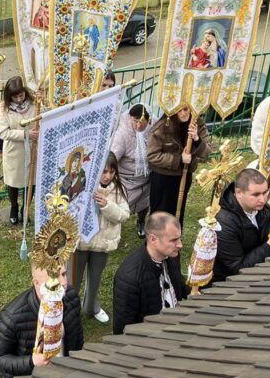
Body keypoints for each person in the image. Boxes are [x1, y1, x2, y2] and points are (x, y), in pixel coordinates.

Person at [0, 265, 83, 378]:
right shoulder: (12, 316)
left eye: (63, 274)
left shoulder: (71, 297)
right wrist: (31, 362)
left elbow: (78, 338)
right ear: (36, 283)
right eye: (54, 278)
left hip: (64, 376)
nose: (63, 282)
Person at [73, 153, 129, 324]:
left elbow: (124, 215)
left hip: (103, 244)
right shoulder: (81, 185)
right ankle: (70, 309)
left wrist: (107, 205)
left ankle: (91, 306)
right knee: (74, 280)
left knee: (95, 278)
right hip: (81, 243)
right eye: (104, 171)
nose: (107, 176)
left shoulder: (118, 189)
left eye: (112, 172)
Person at [112, 212, 187, 335]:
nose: (180, 245)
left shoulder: (171, 255)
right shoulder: (130, 278)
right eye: (173, 240)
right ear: (153, 239)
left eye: (179, 238)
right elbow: (123, 329)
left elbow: (178, 283)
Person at [213, 169, 270, 284]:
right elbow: (238, 268)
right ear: (239, 193)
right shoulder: (223, 223)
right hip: (226, 284)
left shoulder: (263, 209)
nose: (263, 199)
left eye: (265, 192)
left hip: (258, 274)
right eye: (256, 194)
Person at [147, 106, 210, 226]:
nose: (183, 113)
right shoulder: (162, 126)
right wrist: (179, 160)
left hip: (184, 175)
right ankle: (156, 235)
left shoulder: (198, 124)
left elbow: (207, 153)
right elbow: (152, 155)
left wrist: (197, 139)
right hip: (163, 177)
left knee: (178, 210)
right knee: (160, 213)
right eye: (179, 110)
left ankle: (175, 235)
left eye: (186, 109)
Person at [0, 76, 38, 225]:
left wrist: (43, 100)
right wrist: (25, 134)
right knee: (13, 181)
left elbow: (46, 114)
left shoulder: (35, 103)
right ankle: (14, 207)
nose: (19, 100)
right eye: (15, 97)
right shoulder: (4, 108)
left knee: (31, 181)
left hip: (32, 149)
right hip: (14, 151)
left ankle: (25, 208)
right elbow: (3, 132)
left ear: (25, 92)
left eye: (21, 95)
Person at [111, 104, 152, 237]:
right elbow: (113, 158)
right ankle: (113, 230)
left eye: (142, 122)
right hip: (126, 179)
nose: (138, 126)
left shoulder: (153, 127)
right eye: (135, 121)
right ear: (130, 118)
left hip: (146, 176)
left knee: (145, 202)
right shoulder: (122, 134)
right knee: (121, 206)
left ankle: (141, 221)